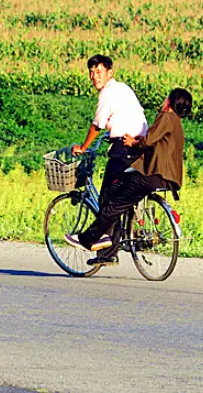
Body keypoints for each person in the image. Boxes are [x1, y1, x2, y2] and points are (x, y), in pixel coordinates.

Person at [67, 88, 193, 266]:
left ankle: (87, 239)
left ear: (170, 101)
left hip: (152, 174)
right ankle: (111, 244)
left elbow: (149, 141)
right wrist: (143, 139)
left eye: (167, 97)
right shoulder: (176, 122)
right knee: (119, 194)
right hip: (166, 177)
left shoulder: (167, 116)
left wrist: (133, 142)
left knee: (114, 204)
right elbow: (157, 141)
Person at [71, 55, 148, 255]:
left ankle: (107, 252)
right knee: (122, 196)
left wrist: (84, 146)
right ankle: (117, 242)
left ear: (109, 73)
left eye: (99, 72)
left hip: (123, 147)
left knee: (107, 198)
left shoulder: (107, 93)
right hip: (140, 145)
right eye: (91, 73)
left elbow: (97, 124)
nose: (94, 77)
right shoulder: (124, 88)